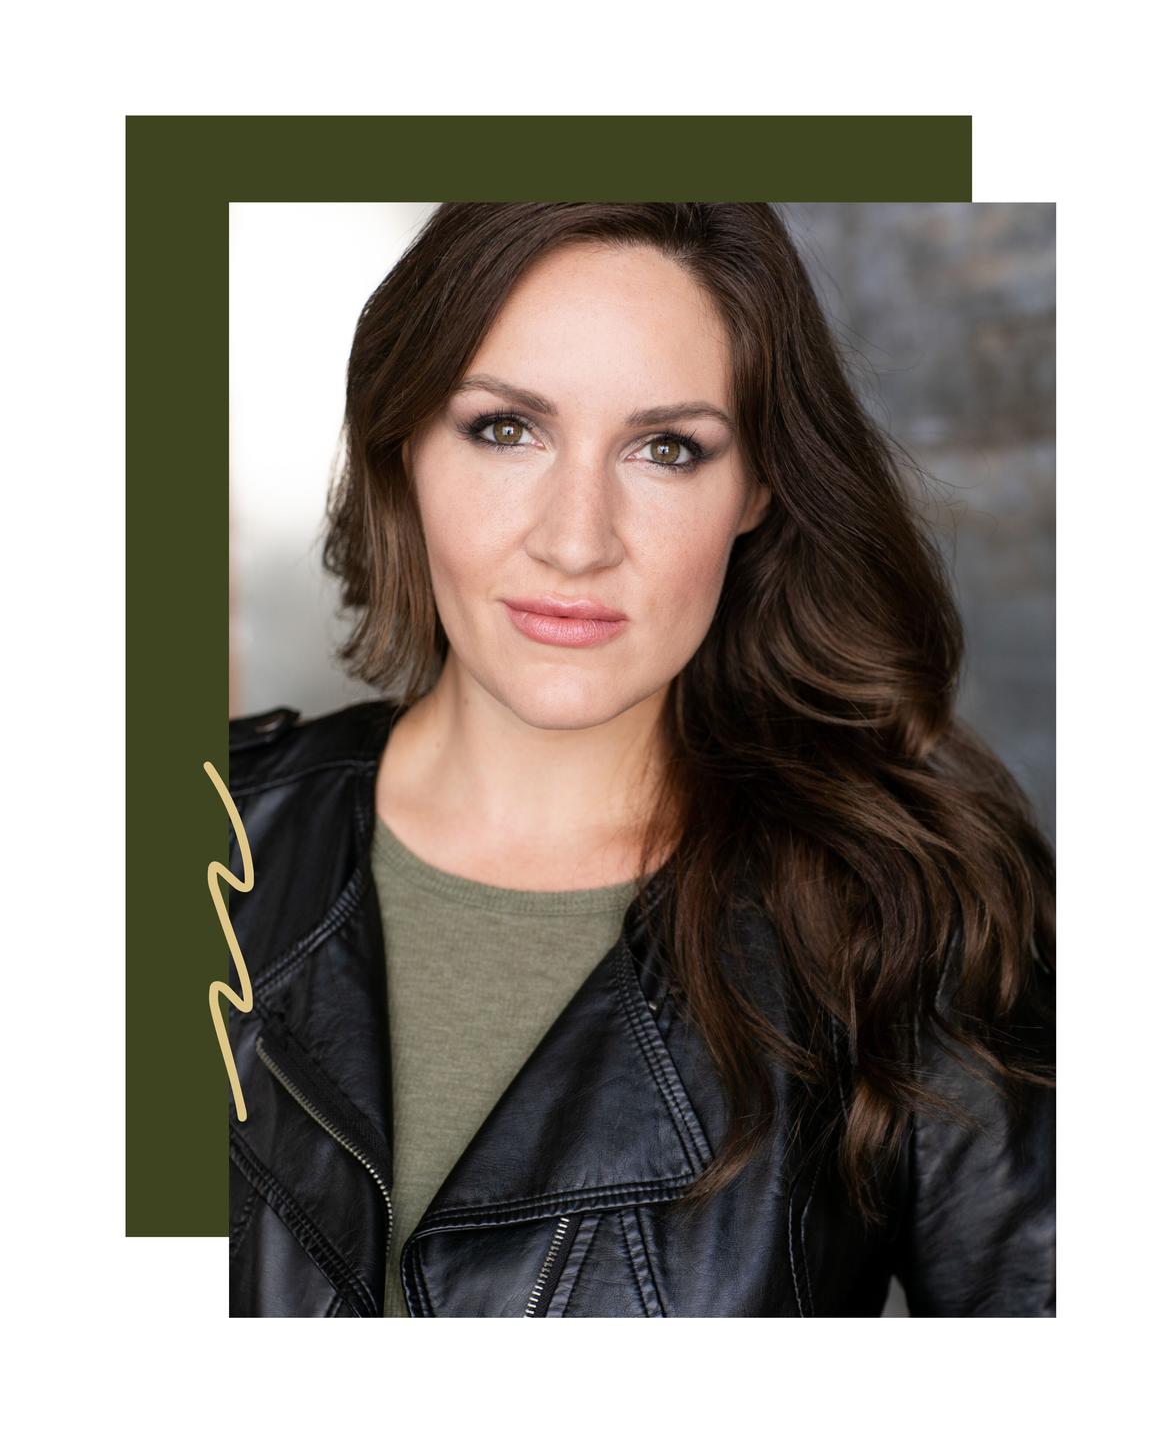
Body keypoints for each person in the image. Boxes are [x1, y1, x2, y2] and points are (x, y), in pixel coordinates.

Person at [226, 202, 1055, 1318]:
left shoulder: (910, 905)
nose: (577, 540)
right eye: (504, 429)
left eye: (667, 449)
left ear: (758, 487)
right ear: (400, 442)